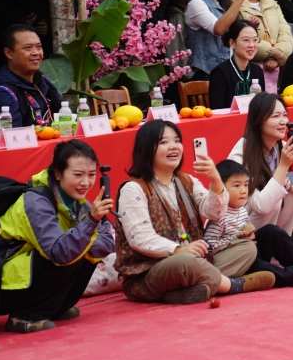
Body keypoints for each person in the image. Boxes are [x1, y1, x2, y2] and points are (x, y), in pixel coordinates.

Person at [114, 121, 276, 304]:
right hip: (151, 271)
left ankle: (191, 289)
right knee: (185, 263)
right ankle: (232, 285)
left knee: (247, 248)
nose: (173, 146)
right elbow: (139, 238)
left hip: (197, 259)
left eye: (177, 141)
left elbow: (214, 213)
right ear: (145, 149)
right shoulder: (134, 189)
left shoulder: (186, 181)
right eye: (164, 142)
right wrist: (178, 250)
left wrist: (215, 180)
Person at [0, 140, 114, 333]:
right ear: (57, 173)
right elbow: (59, 252)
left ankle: (54, 308)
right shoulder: (36, 202)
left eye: (91, 175)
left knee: (82, 250)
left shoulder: (80, 203)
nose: (85, 182)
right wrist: (90, 223)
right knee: (67, 251)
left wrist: (84, 233)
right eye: (78, 175)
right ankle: (25, 316)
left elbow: (107, 243)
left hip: (26, 276)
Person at [206, 160, 293, 287]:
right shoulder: (218, 215)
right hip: (240, 260)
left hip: (251, 250)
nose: (243, 190)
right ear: (220, 188)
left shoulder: (240, 210)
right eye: (237, 186)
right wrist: (236, 240)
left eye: (246, 185)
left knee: (271, 231)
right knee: (265, 268)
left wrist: (250, 233)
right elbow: (210, 248)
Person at [226, 93, 293, 246]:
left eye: (285, 115)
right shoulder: (241, 156)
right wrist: (283, 166)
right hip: (237, 229)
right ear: (258, 121)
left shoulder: (281, 146)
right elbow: (262, 205)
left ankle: (284, 246)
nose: (283, 121)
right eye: (276, 116)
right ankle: (260, 251)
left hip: (264, 221)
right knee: (273, 200)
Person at [0, 24, 63, 138]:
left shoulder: (41, 81)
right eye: (28, 48)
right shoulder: (1, 92)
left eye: (39, 47)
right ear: (9, 53)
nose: (36, 53)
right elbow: (13, 138)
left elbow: (64, 120)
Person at [184, 0, 251, 79]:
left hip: (227, 71)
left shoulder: (225, 4)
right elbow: (219, 29)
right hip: (205, 75)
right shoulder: (196, 4)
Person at [239, 0, 293, 93]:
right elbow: (242, 39)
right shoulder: (235, 4)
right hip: (249, 70)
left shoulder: (272, 3)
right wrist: (274, 53)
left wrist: (278, 58)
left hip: (276, 69)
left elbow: (286, 34)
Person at [208, 20, 266, 109]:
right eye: (246, 40)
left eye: (255, 40)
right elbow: (217, 110)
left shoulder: (257, 70)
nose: (252, 45)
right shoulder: (220, 73)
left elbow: (262, 107)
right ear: (232, 43)